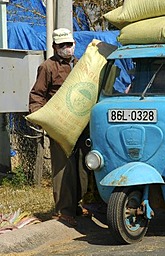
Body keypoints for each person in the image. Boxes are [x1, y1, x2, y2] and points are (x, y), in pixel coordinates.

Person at [28, 28, 89, 227]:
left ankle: (78, 204)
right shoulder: (48, 67)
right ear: (55, 47)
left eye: (69, 45)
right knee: (63, 169)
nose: (66, 49)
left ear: (74, 45)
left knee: (83, 167)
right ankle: (64, 211)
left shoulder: (81, 65)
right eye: (62, 46)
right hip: (60, 125)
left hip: (81, 124)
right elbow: (37, 95)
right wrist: (41, 117)